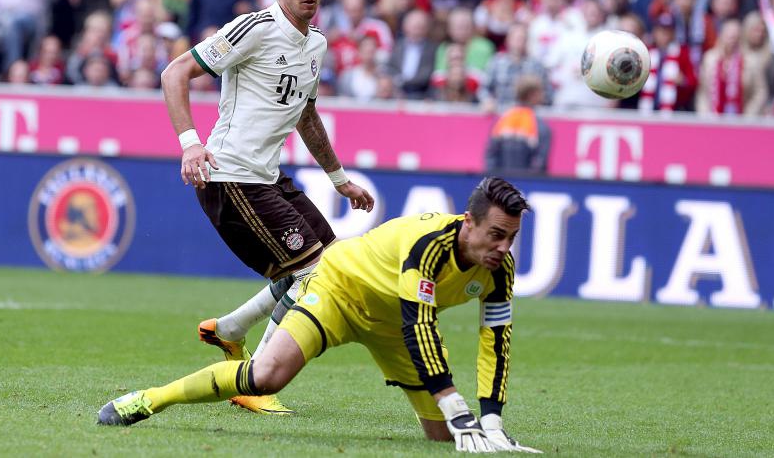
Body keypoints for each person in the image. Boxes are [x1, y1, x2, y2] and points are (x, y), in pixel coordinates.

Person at [98, 177, 542, 455]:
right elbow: (420, 324)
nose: (503, 248)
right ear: (469, 222)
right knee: (266, 377)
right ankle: (151, 399)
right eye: (496, 235)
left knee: (445, 438)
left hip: (390, 327)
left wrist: (491, 420)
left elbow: (496, 339)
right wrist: (453, 402)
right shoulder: (429, 244)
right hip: (338, 291)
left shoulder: (498, 270)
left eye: (512, 238)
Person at [158, 0, 374, 416]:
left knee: (333, 263)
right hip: (229, 177)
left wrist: (340, 180)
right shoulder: (254, 28)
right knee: (313, 274)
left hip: (267, 177)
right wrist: (190, 142)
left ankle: (230, 329)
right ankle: (252, 381)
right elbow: (173, 73)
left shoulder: (315, 43)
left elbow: (306, 116)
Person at [484, 75, 552, 175]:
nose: (543, 95)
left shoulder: (502, 120)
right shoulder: (540, 125)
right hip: (527, 185)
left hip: (501, 184)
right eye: (540, 92)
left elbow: (490, 157)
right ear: (532, 94)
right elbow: (540, 162)